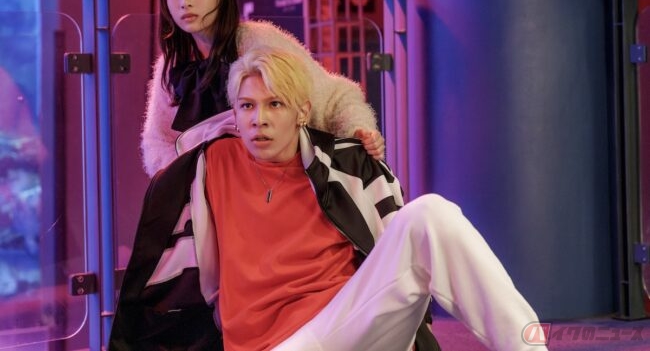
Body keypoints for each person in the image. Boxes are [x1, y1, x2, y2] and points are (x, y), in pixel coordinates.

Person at [109, 45, 548, 351]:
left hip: (350, 323)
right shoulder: (213, 163)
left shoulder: (338, 164)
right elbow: (175, 145)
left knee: (432, 213)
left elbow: (391, 246)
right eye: (247, 106)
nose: (259, 120)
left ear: (303, 111)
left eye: (275, 104)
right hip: (274, 345)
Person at [141, 0, 384, 177]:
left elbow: (335, 96)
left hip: (278, 183)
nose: (185, 2)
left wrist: (358, 132)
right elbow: (157, 142)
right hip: (209, 191)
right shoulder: (171, 64)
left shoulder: (258, 41)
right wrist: (190, 180)